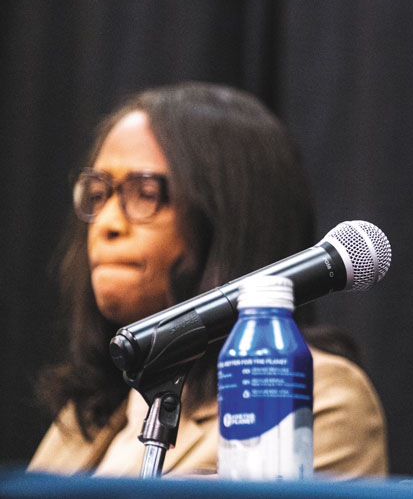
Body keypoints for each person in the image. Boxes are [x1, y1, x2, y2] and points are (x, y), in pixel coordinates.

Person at [29, 82, 388, 478]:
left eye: (145, 193)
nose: (107, 224)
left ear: (228, 217)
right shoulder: (90, 414)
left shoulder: (311, 394)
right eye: (98, 195)